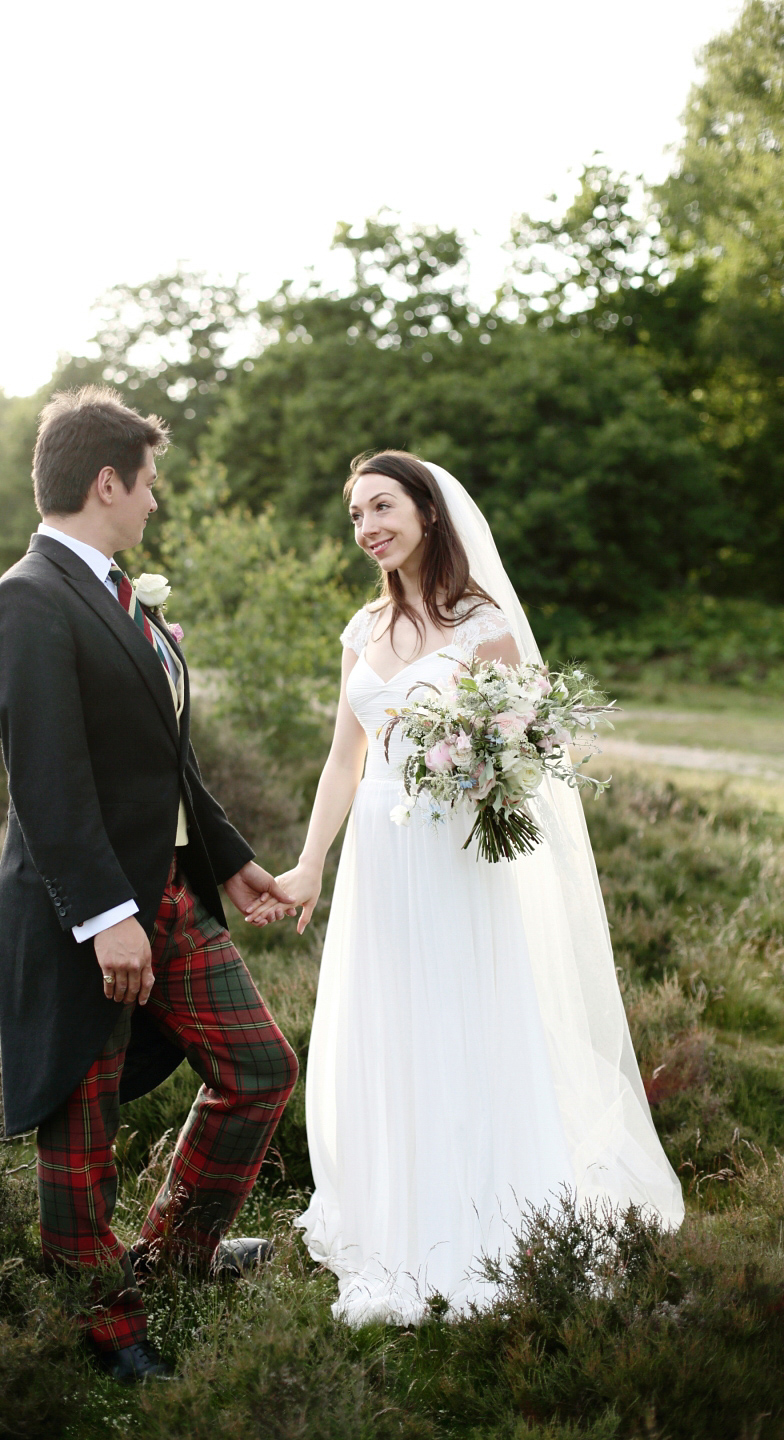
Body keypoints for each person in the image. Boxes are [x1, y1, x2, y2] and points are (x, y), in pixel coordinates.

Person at [249, 450, 684, 1326]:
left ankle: (494, 1215)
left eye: (382, 507)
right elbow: (345, 759)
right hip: (379, 859)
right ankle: (397, 1206)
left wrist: (481, 767)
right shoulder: (361, 631)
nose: (368, 527)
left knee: (467, 1016)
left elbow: (533, 753)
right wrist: (309, 863)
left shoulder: (482, 622)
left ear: (429, 511)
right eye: (356, 515)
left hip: (455, 857)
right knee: (391, 1020)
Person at [0, 387, 298, 1382]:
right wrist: (107, 919)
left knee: (259, 1071)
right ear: (106, 481)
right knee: (84, 1128)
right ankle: (108, 1330)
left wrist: (233, 861)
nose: (155, 502)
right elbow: (49, 777)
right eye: (148, 483)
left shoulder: (117, 597)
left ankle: (178, 1251)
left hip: (169, 892)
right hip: (89, 913)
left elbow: (167, 762)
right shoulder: (27, 599)